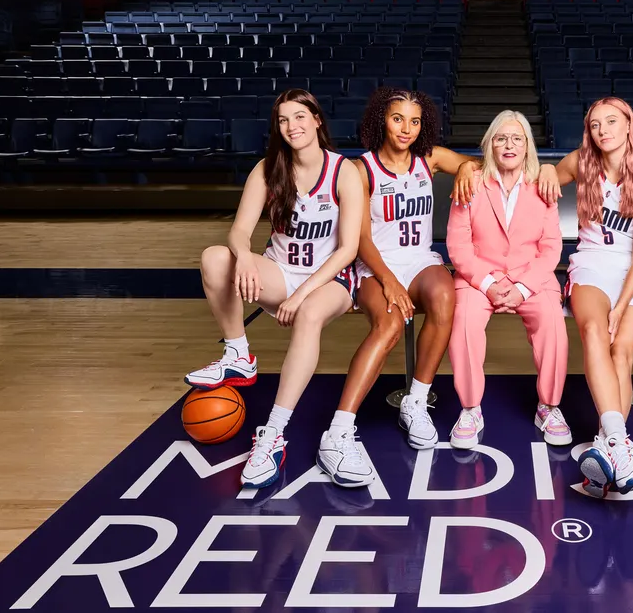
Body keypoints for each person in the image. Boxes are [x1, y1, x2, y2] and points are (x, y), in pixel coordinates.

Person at [184, 89, 366, 489]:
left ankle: (273, 433)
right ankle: (238, 355)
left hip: (329, 279)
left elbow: (348, 249)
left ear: (317, 120)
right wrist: (245, 256)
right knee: (216, 257)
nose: (292, 126)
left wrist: (301, 295)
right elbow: (239, 230)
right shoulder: (268, 169)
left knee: (309, 313)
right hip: (281, 271)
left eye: (300, 117)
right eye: (283, 120)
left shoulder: (343, 171)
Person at [534, 97, 633, 498]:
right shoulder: (581, 161)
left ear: (629, 126)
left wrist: (622, 305)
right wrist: (543, 169)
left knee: (621, 351)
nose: (603, 130)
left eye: (612, 121)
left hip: (632, 270)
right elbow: (548, 177)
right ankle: (619, 444)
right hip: (591, 263)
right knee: (593, 331)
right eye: (595, 125)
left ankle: (609, 444)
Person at [342, 87, 477, 459]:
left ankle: (415, 402)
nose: (406, 129)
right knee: (388, 324)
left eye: (414, 121)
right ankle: (340, 428)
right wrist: (388, 280)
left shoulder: (428, 159)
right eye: (397, 118)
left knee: (446, 296)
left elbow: (477, 164)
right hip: (376, 263)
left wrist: (465, 166)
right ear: (381, 121)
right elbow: (359, 237)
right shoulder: (361, 168)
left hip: (419, 259)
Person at [444, 110, 570, 450]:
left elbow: (550, 246)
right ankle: (470, 408)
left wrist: (524, 287)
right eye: (501, 138)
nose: (509, 145)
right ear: (490, 145)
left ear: (528, 145)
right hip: (478, 278)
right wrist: (487, 283)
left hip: (532, 277)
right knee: (465, 322)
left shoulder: (541, 185)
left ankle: (549, 406)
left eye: (517, 138)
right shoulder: (471, 183)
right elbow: (458, 244)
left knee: (552, 321)